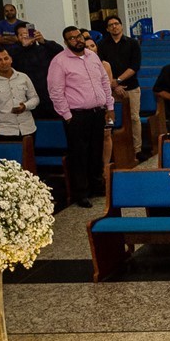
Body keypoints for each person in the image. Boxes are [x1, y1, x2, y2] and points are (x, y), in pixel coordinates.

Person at [47, 26, 114, 208]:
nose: (77, 40)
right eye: (72, 38)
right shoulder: (59, 62)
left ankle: (96, 186)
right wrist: (68, 116)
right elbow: (56, 92)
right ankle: (81, 193)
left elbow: (104, 82)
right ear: (66, 42)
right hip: (76, 116)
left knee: (95, 151)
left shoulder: (92, 56)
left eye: (78, 36)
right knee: (79, 155)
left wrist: (109, 105)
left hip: (97, 112)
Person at [98, 16, 144, 160]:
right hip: (110, 89)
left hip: (131, 86)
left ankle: (137, 150)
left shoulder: (132, 43)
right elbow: (101, 66)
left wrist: (118, 80)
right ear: (107, 29)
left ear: (122, 26)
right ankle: (114, 151)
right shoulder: (103, 45)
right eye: (110, 25)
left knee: (134, 118)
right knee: (112, 119)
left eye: (116, 24)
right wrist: (113, 84)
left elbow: (134, 66)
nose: (114, 27)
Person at [0, 47, 38, 143]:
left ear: (11, 59)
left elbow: (35, 98)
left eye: (6, 58)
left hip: (28, 129)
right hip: (4, 131)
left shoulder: (23, 77)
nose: (4, 62)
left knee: (30, 158)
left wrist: (25, 106)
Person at [10, 25, 63, 118]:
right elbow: (12, 65)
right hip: (29, 98)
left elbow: (60, 51)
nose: (25, 36)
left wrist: (43, 41)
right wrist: (24, 47)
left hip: (50, 95)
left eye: (27, 33)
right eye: (21, 35)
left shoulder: (44, 48)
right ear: (17, 38)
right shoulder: (15, 52)